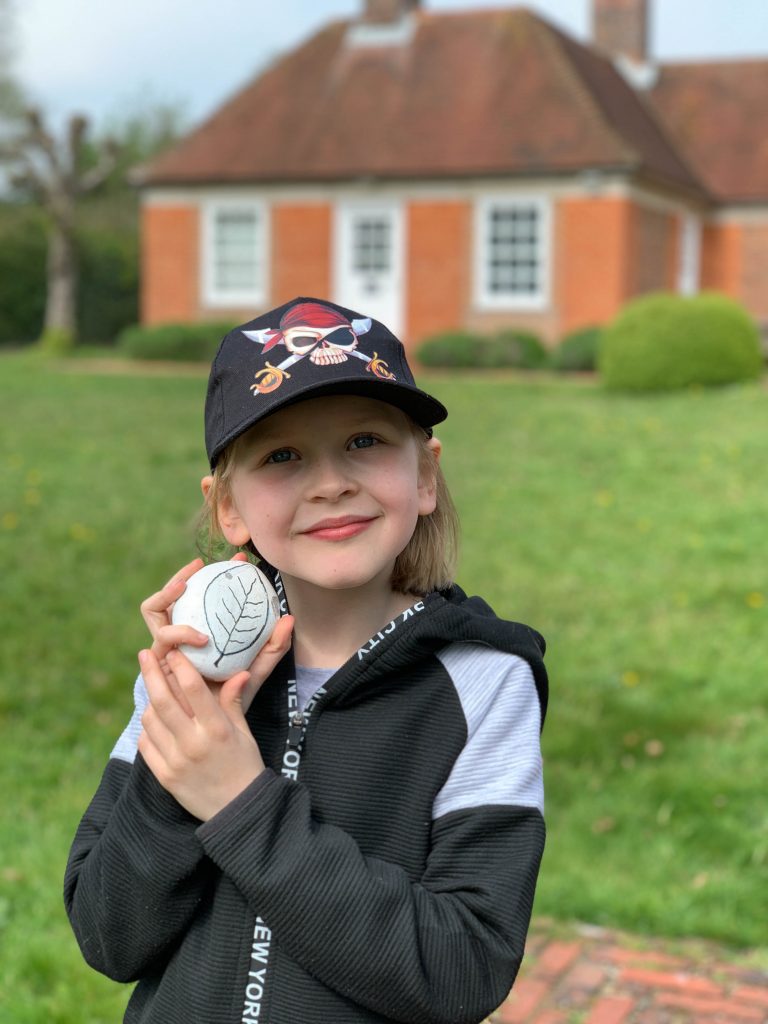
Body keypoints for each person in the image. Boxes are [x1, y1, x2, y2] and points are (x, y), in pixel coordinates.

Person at [64, 297, 548, 1024]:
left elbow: (463, 971)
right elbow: (110, 939)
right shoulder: (189, 678)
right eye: (282, 456)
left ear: (425, 476)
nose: (330, 483)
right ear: (227, 507)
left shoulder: (483, 682)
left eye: (365, 441)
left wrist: (239, 804)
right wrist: (175, 771)